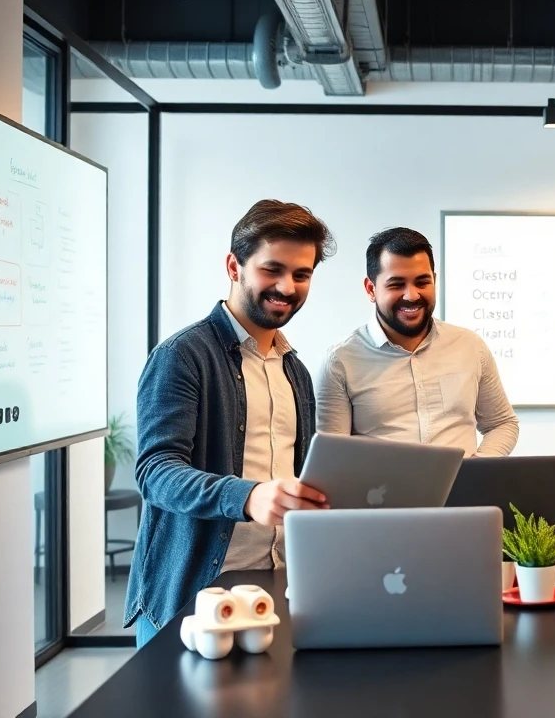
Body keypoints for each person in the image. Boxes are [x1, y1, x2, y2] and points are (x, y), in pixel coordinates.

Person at [125, 200, 336, 647]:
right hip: (192, 596)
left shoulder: (294, 370)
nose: (287, 286)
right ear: (233, 266)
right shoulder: (182, 355)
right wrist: (248, 496)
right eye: (272, 269)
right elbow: (156, 473)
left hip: (274, 589)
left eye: (302, 274)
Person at [316, 227, 519, 456]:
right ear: (371, 289)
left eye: (422, 282)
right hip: (384, 492)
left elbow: (502, 424)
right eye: (396, 284)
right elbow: (333, 457)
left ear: (434, 280)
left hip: (465, 491)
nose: (411, 295)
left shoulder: (470, 346)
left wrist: (477, 467)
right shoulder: (340, 362)